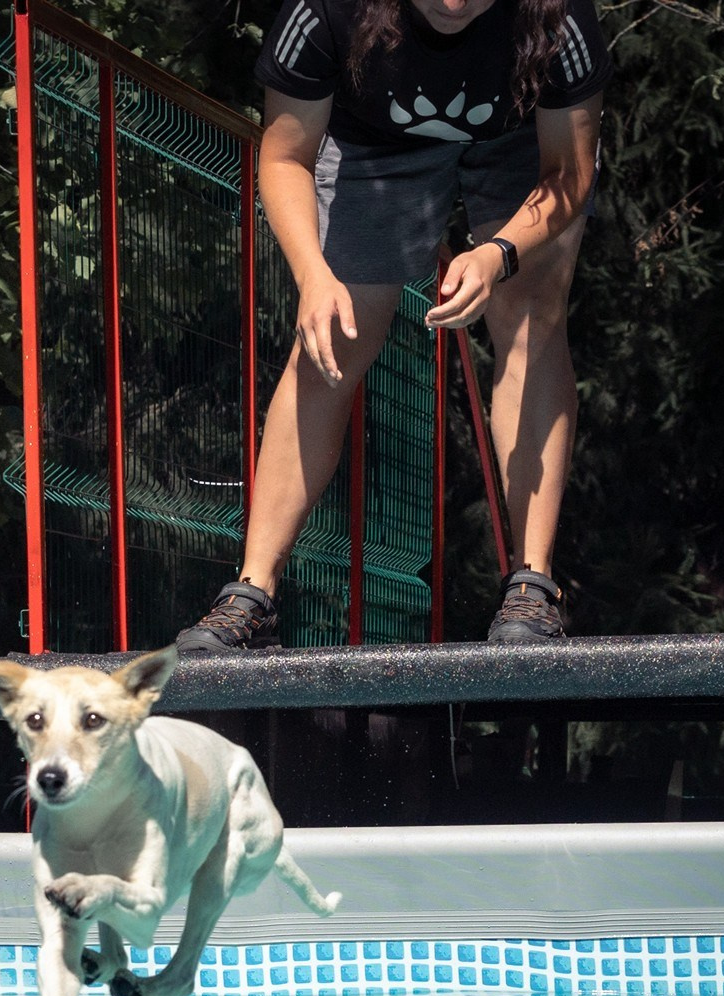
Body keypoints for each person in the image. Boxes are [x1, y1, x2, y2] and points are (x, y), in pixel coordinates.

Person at [175, 0, 609, 653]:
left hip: (524, 145)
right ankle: (252, 594)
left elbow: (569, 171)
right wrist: (314, 277)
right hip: (372, 142)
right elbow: (286, 156)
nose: (456, 5)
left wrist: (500, 254)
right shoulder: (326, 9)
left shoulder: (558, 14)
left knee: (531, 316)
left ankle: (532, 587)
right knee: (332, 338)